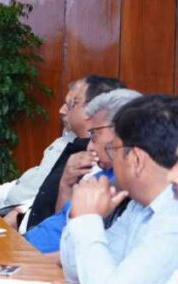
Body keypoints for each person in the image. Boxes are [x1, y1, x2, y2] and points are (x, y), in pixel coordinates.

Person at [41, 96, 178, 284]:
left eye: (114, 150)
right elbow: (79, 272)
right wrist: (81, 217)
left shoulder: (172, 219)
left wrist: (87, 220)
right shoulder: (138, 207)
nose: (171, 175)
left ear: (136, 160)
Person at [24, 88, 140, 253]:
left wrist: (27, 260)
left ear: (120, 132)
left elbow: (80, 254)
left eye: (94, 135)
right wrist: (66, 185)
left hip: (38, 259)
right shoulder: (101, 175)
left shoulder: (125, 185)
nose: (90, 146)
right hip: (28, 245)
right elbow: (63, 223)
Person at [0, 78, 81, 214]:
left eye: (69, 105)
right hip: (3, 211)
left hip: (17, 219)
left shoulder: (81, 155)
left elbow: (45, 200)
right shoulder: (62, 141)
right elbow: (25, 187)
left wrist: (19, 214)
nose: (61, 110)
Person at [22, 75, 125, 231]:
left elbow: (69, 237)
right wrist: (66, 184)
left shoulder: (108, 178)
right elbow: (60, 221)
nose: (63, 110)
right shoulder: (71, 145)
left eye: (72, 103)